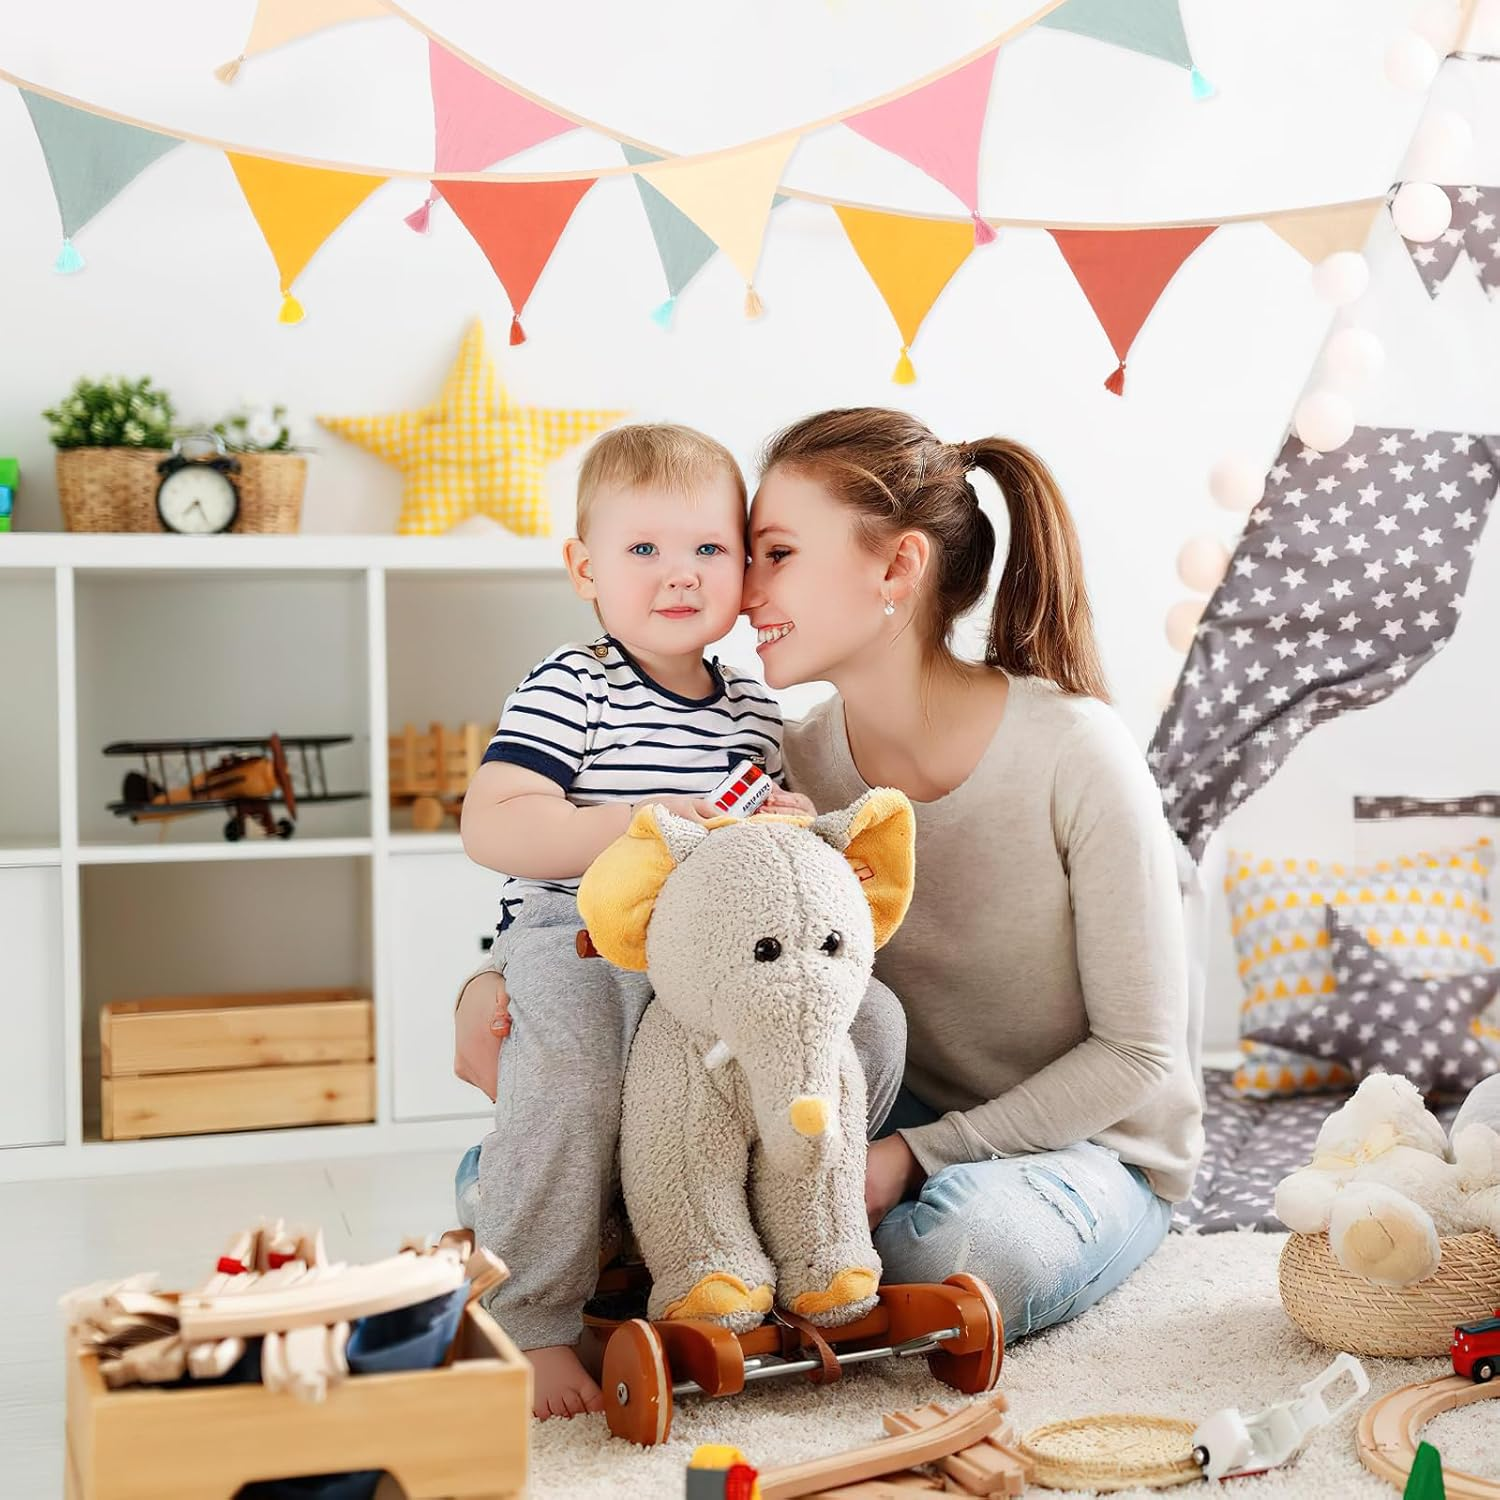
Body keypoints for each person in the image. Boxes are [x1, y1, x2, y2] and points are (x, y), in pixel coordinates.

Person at [457, 406, 1202, 1367]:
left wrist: (909, 1161)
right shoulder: (781, 769)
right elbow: (643, 901)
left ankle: (715, 1256)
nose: (739, 588)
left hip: (1076, 1146)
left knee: (960, 1245)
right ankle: (717, 1253)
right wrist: (491, 982)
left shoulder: (1075, 751)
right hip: (851, 1114)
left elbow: (1138, 1057)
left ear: (895, 569)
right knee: (508, 1168)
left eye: (770, 553)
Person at [453, 422, 907, 1420]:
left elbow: (764, 862)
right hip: (574, 938)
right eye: (643, 550)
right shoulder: (573, 687)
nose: (678, 574)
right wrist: (648, 824)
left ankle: (774, 1245)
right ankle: (530, 1316)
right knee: (574, 1080)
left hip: (704, 960)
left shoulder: (751, 711)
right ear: (585, 568)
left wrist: (790, 829)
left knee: (857, 1028)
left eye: (707, 549)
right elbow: (492, 823)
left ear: (745, 570)